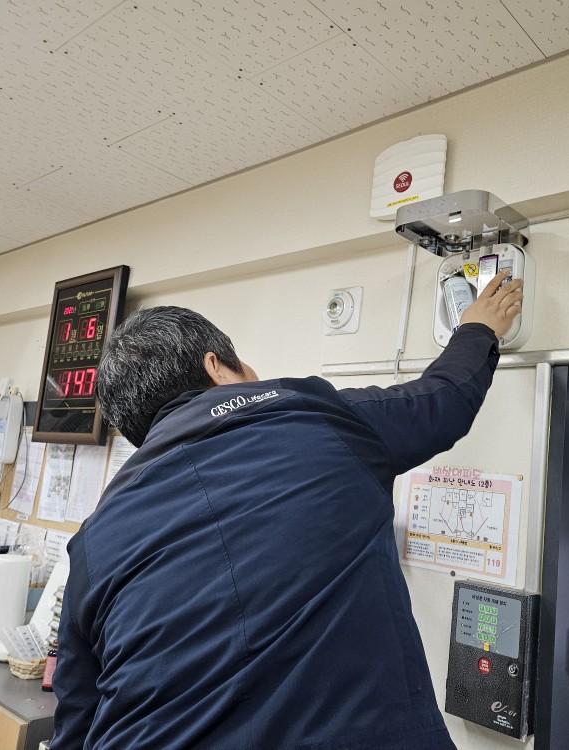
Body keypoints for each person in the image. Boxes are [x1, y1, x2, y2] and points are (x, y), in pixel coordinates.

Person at [51, 272, 524, 749]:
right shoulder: (315, 417)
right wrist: (478, 327)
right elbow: (441, 400)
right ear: (215, 366)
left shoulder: (94, 539)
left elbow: (76, 716)